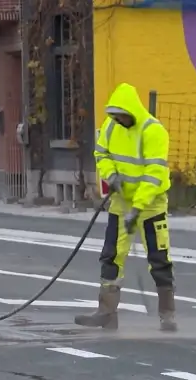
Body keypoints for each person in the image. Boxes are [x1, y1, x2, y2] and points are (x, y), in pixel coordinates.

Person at [74, 82, 177, 332]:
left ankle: (167, 314)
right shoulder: (111, 127)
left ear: (131, 111)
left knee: (159, 257)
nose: (118, 120)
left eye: (122, 116)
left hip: (151, 205)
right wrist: (111, 177)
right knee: (111, 255)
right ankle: (107, 312)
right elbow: (102, 154)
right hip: (121, 203)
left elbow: (154, 175)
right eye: (115, 116)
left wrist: (138, 208)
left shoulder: (153, 131)